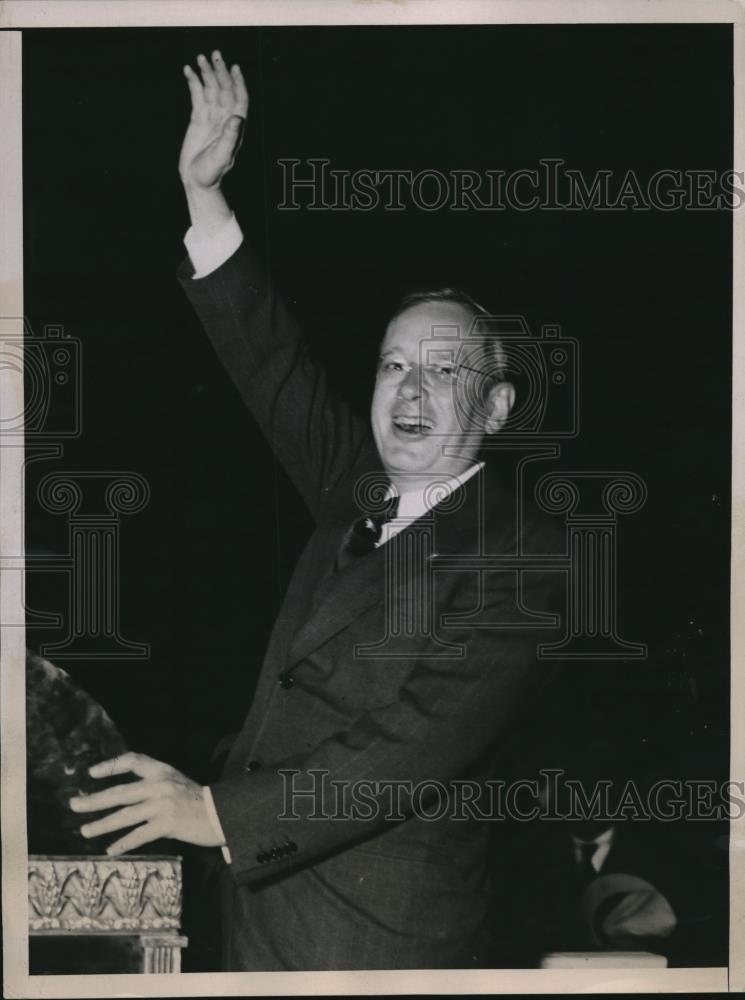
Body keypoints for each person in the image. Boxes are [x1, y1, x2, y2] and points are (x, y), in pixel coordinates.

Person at [70, 50, 564, 970]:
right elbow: (271, 363)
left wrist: (209, 809)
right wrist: (203, 195)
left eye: (445, 370)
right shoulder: (357, 487)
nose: (409, 389)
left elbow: (397, 755)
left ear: (496, 409)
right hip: (255, 921)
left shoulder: (526, 558)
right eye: (391, 365)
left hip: (377, 949)